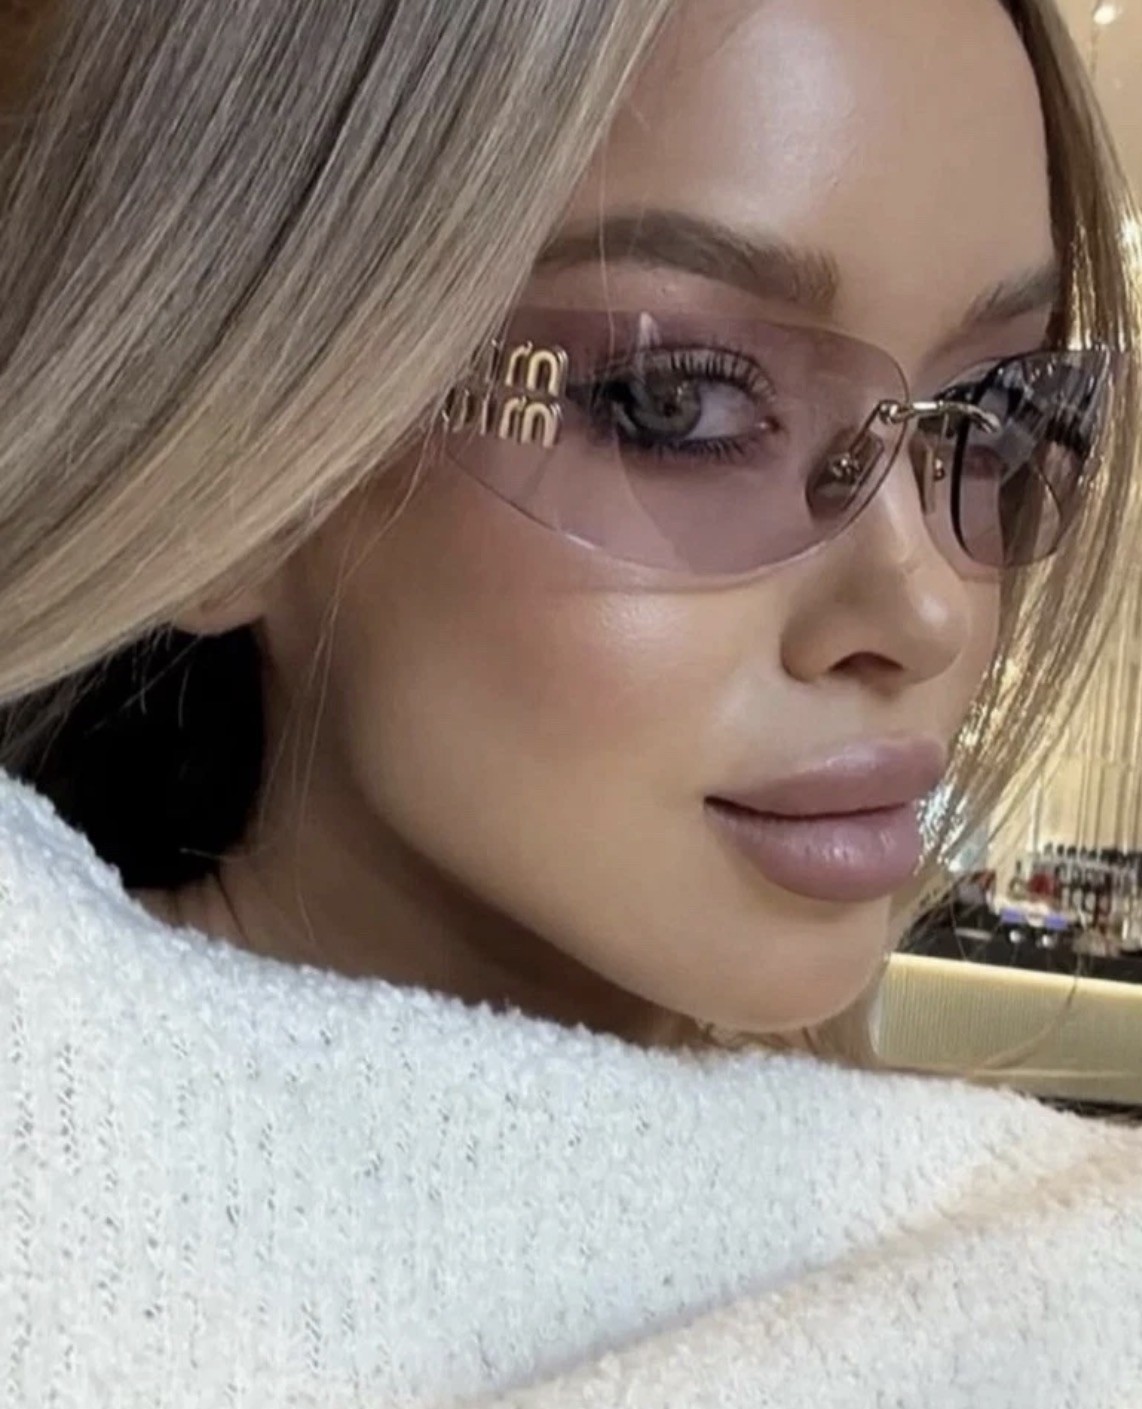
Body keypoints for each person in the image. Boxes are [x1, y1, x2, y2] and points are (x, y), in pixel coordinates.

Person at [0, 0, 1140, 1403]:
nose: (924, 611)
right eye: (676, 402)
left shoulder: (1050, 1290)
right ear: (228, 469)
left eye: (998, 412)